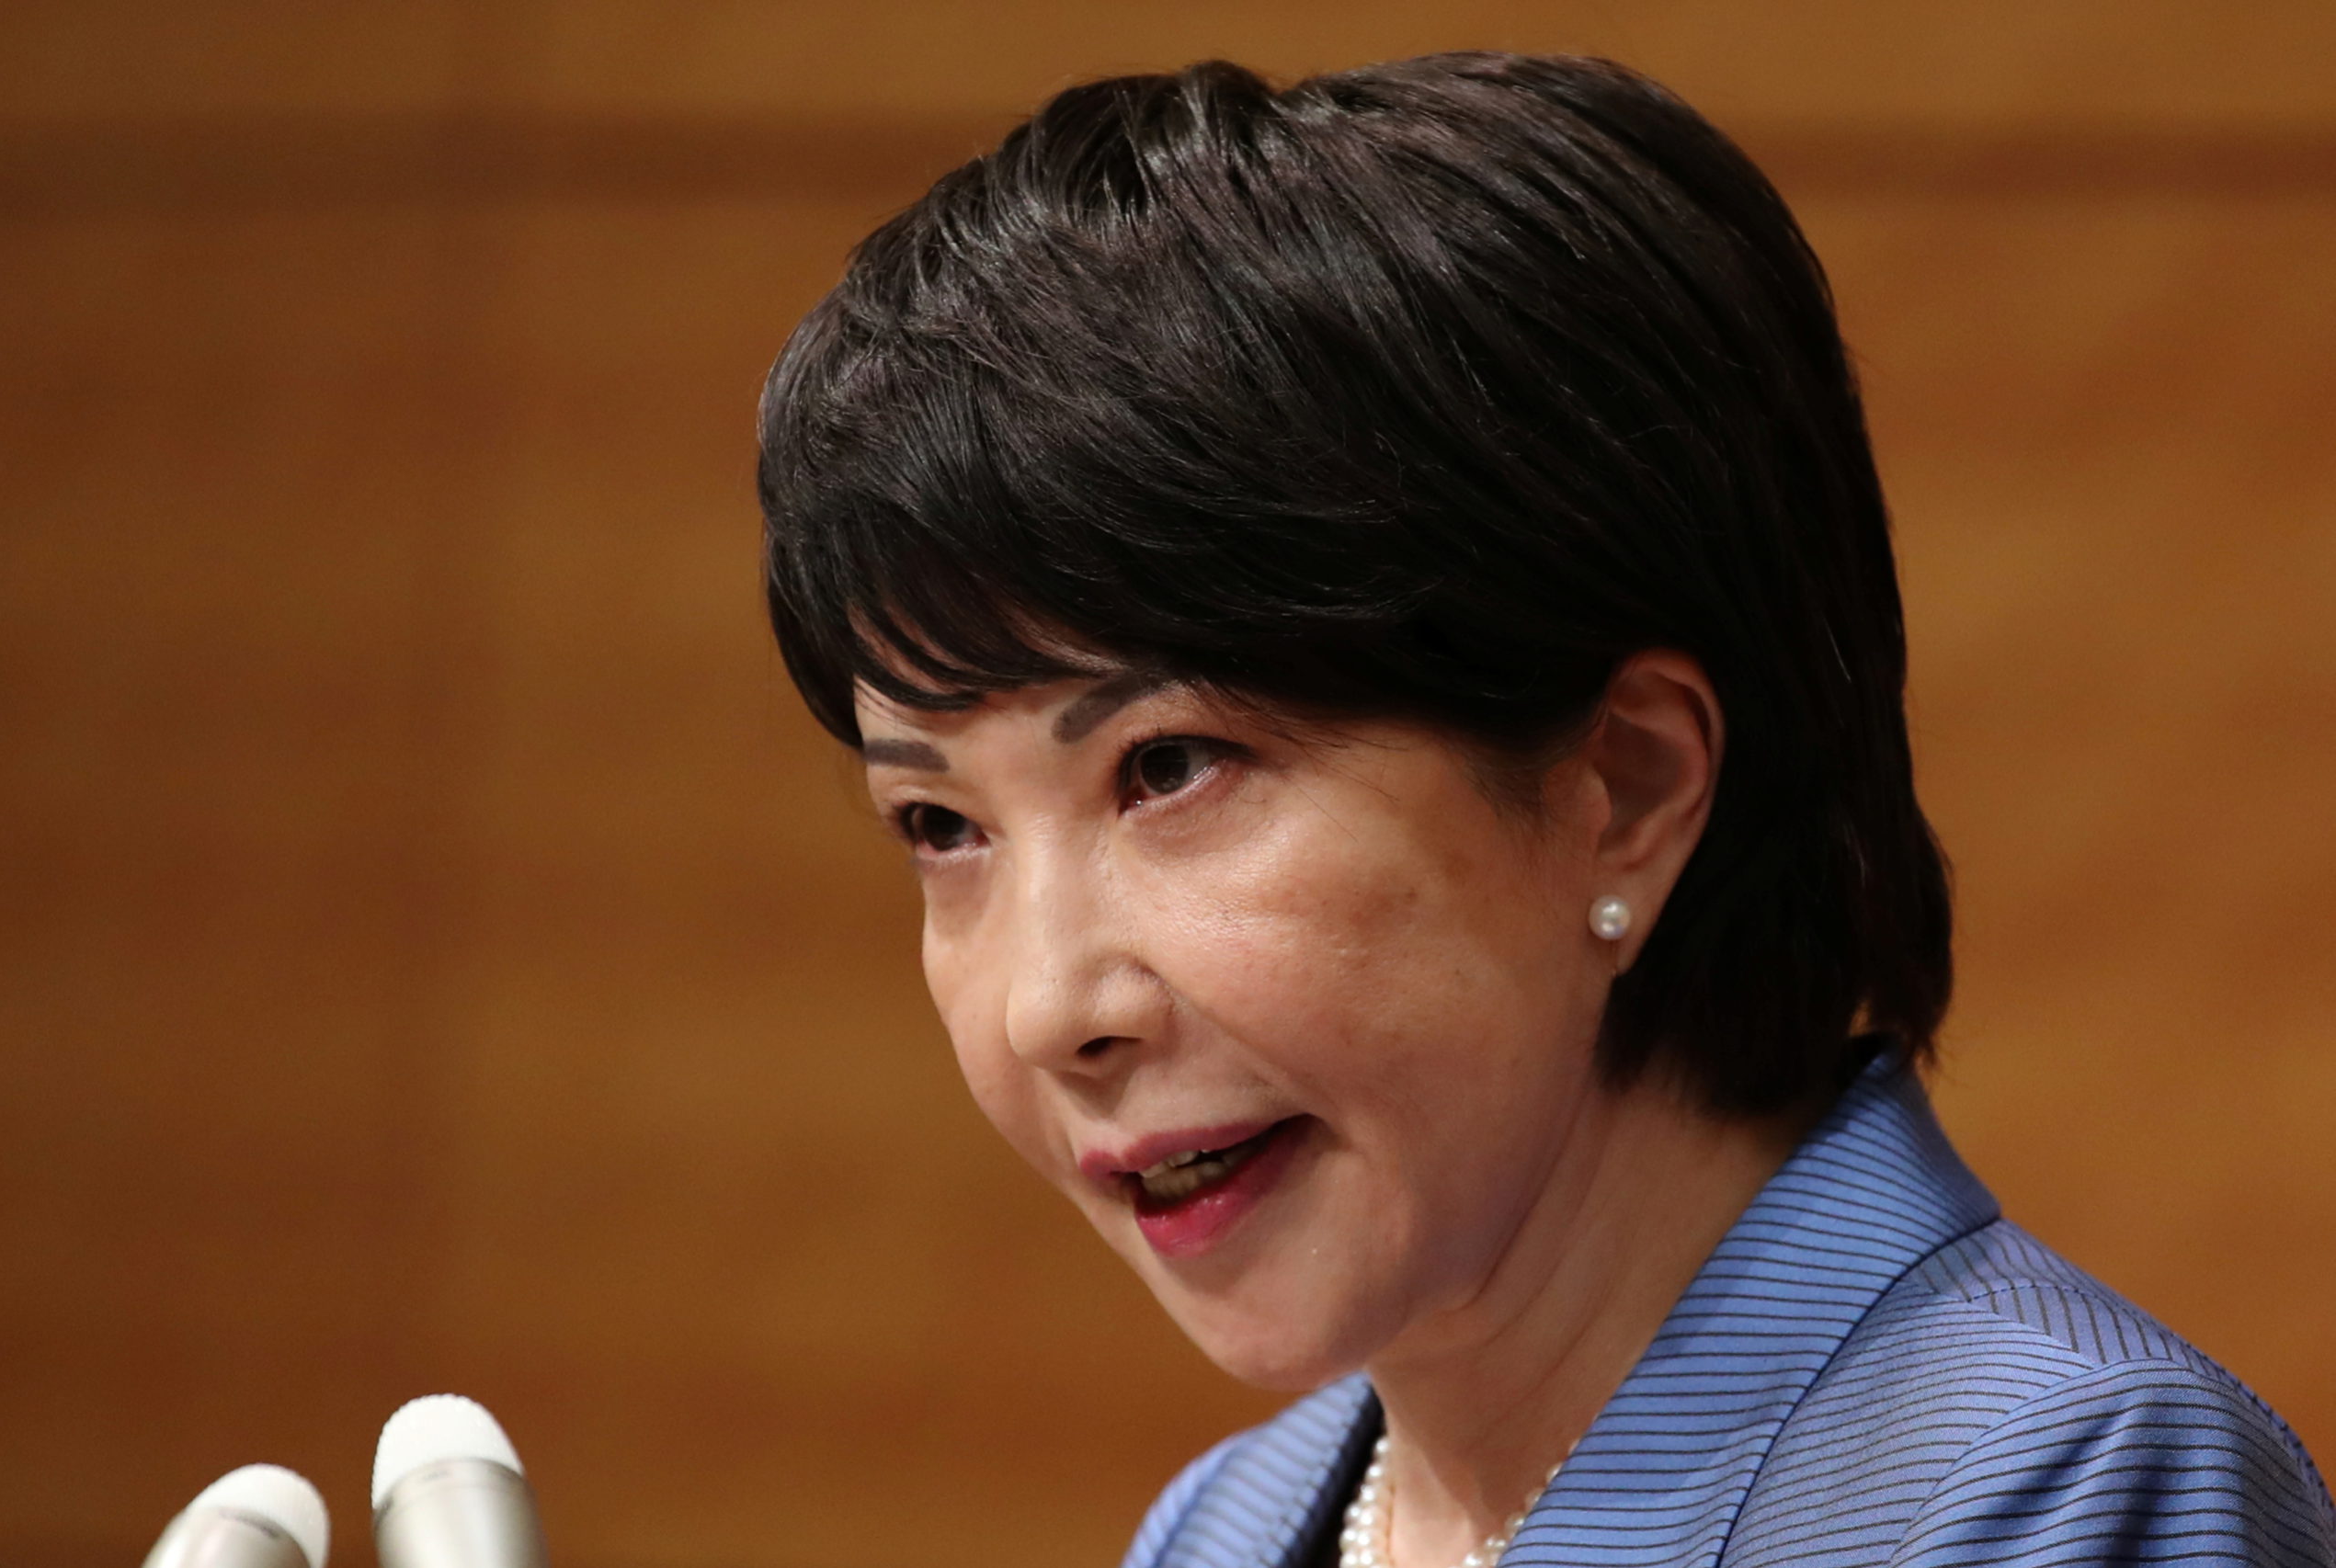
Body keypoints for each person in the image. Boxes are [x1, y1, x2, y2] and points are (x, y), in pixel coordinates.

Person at [752, 51, 2334, 1568]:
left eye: (1168, 766)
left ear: (1626, 786)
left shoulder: (2057, 1486)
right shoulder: (1230, 1526)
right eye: (940, 826)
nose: (1044, 1009)